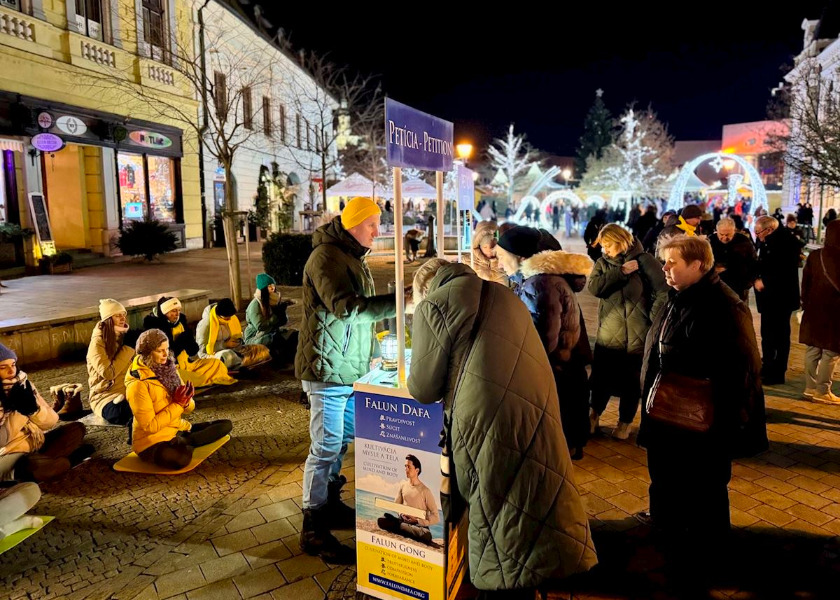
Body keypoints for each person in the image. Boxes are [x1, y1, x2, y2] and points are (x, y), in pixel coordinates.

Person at [407, 258, 597, 598]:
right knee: (532, 498)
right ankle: (533, 581)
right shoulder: (504, 294)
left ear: (426, 287)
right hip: (534, 407)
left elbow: (423, 389)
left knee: (497, 510)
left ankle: (509, 587)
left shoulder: (433, 305)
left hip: (486, 422)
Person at [638, 236, 767, 558]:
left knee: (705, 485)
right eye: (664, 261)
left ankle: (708, 547)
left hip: (703, 417)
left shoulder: (725, 306)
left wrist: (731, 423)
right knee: (665, 475)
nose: (664, 268)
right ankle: (666, 525)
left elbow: (744, 369)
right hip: (667, 407)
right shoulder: (677, 295)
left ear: (698, 265)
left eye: (672, 263)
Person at [295, 196, 398, 563]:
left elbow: (358, 315)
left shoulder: (352, 256)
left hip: (347, 366)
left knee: (339, 442)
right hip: (326, 369)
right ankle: (313, 525)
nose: (378, 230)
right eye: (372, 224)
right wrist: (398, 302)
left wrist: (373, 347)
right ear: (353, 224)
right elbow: (348, 306)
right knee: (324, 446)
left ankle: (330, 502)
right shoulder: (326, 257)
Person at [496, 226, 593, 459]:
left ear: (520, 257)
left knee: (559, 435)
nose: (499, 264)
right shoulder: (539, 280)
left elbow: (542, 341)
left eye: (501, 257)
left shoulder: (540, 284)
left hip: (557, 371)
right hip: (566, 371)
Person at [588, 225, 668, 440]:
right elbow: (594, 288)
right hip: (609, 331)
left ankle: (624, 423)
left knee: (631, 382)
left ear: (621, 240)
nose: (605, 250)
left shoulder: (645, 261)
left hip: (637, 335)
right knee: (601, 379)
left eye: (608, 245)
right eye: (602, 246)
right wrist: (621, 272)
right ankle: (593, 415)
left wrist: (651, 320)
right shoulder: (603, 263)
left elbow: (663, 292)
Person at [125, 329, 233, 470]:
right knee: (180, 459)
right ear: (147, 354)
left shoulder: (170, 369)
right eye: (160, 351)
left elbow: (189, 409)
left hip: (177, 429)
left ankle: (185, 441)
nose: (166, 355)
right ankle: (186, 442)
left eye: (167, 349)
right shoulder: (137, 385)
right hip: (151, 443)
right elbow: (150, 426)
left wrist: (187, 400)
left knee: (226, 425)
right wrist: (178, 404)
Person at [1, 344, 92, 482]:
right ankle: (70, 460)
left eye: (13, 364)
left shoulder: (23, 384)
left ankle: (45, 462)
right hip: (11, 453)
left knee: (76, 429)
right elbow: (2, 440)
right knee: (37, 466)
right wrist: (20, 412)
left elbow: (51, 421)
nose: (11, 371)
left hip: (36, 443)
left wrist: (34, 411)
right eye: (3, 367)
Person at [143, 296, 237, 387]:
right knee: (180, 378)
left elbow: (193, 351)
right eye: (173, 311)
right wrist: (181, 340)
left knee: (217, 364)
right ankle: (198, 380)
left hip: (188, 365)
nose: (177, 314)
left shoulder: (181, 322)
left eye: (179, 310)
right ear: (165, 312)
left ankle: (201, 378)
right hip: (170, 368)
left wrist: (189, 341)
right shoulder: (156, 329)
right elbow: (166, 356)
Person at [753, 215, 802, 384]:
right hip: (768, 298)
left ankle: (777, 371)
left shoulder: (786, 243)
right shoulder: (767, 241)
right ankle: (767, 366)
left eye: (758, 232)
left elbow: (783, 271)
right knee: (767, 333)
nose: (757, 235)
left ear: (769, 229)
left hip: (781, 298)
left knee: (780, 335)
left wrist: (764, 281)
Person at [799, 219, 840, 403]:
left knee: (813, 349)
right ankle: (823, 391)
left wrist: (806, 303)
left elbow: (805, 282)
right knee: (831, 352)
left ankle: (810, 387)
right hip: (835, 312)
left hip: (813, 309)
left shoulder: (815, 256)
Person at [87, 299, 136, 425]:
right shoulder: (98, 342)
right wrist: (128, 349)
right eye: (117, 315)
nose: (122, 318)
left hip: (128, 390)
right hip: (105, 396)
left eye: (124, 314)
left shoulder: (124, 337)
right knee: (124, 413)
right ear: (108, 319)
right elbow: (108, 373)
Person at [377, 455, 439, 545]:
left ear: (417, 470)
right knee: (381, 519)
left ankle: (400, 527)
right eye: (405, 466)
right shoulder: (403, 486)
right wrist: (401, 514)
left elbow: (436, 516)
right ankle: (403, 527)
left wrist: (417, 521)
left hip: (419, 525)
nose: (406, 469)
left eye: (409, 467)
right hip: (403, 520)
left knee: (426, 535)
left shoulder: (425, 491)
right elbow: (396, 506)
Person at [196, 299, 270, 371]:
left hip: (234, 350)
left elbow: (239, 338)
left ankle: (241, 362)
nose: (229, 319)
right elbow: (202, 350)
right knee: (228, 356)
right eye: (227, 318)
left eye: (230, 317)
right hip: (215, 354)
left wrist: (237, 341)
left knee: (261, 349)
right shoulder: (205, 324)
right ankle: (241, 364)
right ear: (220, 315)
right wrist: (224, 344)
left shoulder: (231, 318)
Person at [242, 275, 298, 364]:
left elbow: (283, 322)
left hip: (272, 332)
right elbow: (260, 326)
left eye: (273, 285)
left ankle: (290, 360)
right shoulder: (255, 304)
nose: (272, 288)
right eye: (269, 286)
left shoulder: (273, 300)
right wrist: (276, 316)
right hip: (256, 336)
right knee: (270, 340)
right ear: (263, 288)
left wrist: (282, 313)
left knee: (294, 335)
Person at [709, 217, 757, 303]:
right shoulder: (710, 241)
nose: (724, 238)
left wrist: (748, 283)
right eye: (721, 234)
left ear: (734, 231)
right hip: (716, 286)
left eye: (727, 235)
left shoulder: (744, 241)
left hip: (739, 287)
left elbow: (753, 262)